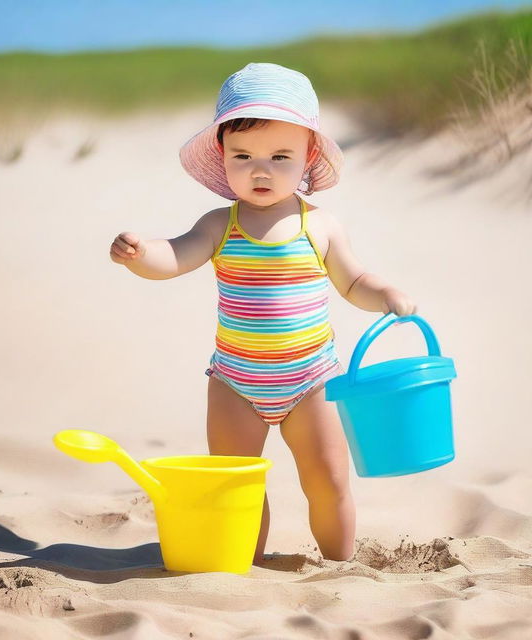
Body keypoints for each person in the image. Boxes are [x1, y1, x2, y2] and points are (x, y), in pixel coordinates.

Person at [110, 62, 416, 564]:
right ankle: (241, 568)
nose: (260, 170)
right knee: (237, 484)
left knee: (328, 480)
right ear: (223, 156)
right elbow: (174, 258)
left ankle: (340, 566)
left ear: (308, 156)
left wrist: (386, 294)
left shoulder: (319, 226)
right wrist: (141, 254)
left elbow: (354, 280)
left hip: (310, 379)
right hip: (235, 380)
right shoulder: (217, 224)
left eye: (280, 156)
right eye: (243, 156)